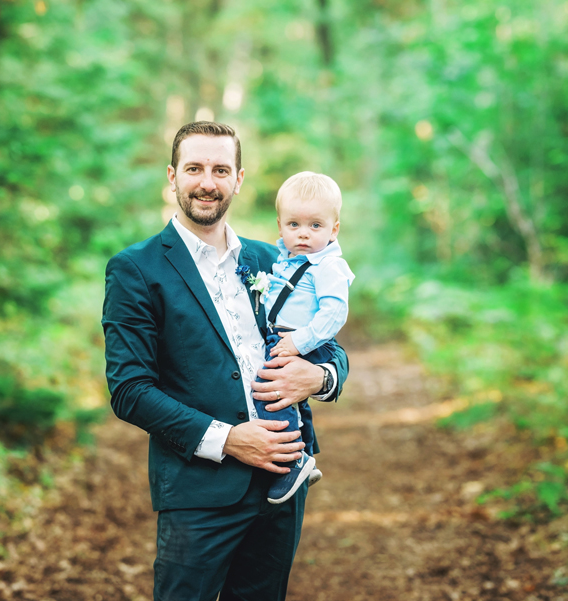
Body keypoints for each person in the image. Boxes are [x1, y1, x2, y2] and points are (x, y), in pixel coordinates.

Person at [102, 121, 349, 601]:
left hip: (282, 484)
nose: (207, 182)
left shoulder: (273, 259)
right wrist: (230, 440)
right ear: (173, 176)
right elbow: (130, 390)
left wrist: (319, 377)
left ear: (238, 179)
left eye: (220, 170)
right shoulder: (135, 270)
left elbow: (330, 345)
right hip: (198, 491)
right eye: (194, 168)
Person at [248, 171, 355, 505]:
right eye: (294, 224)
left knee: (272, 392)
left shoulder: (328, 266)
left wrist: (300, 343)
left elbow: (334, 313)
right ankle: (305, 453)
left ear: (334, 229)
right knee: (291, 400)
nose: (304, 233)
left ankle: (291, 461)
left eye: (315, 225)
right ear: (280, 226)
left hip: (304, 340)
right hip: (285, 337)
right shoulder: (285, 260)